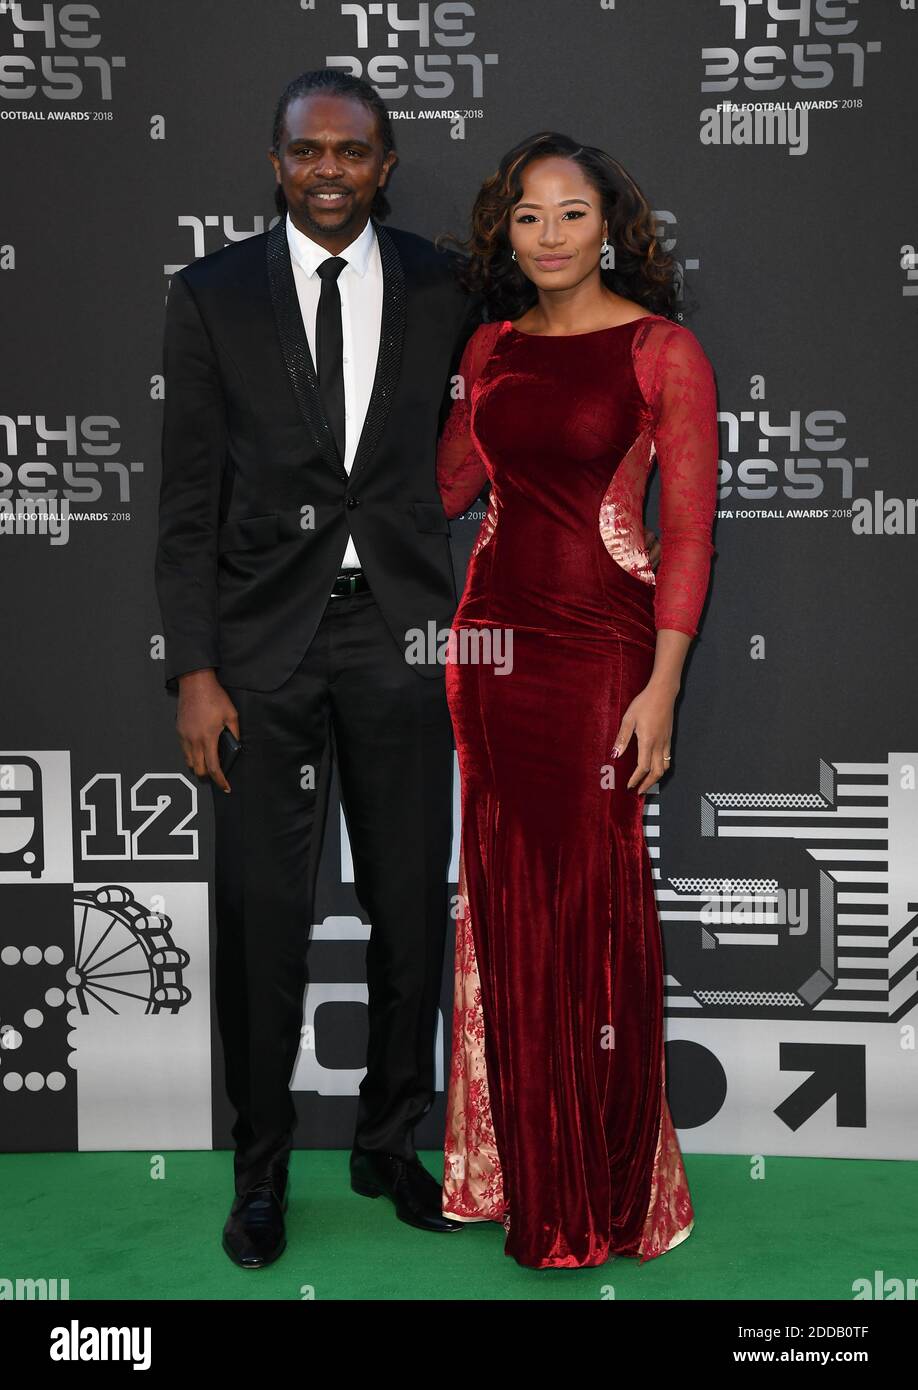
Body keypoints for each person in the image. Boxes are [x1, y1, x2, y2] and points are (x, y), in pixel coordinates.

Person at [154, 69, 480, 1268]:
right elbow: (186, 501)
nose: (329, 170)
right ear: (276, 162)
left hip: (402, 637)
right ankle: (259, 1173)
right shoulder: (213, 293)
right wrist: (194, 667)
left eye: (353, 151)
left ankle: (391, 1145)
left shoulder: (448, 285)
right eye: (307, 152)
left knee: (407, 905)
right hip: (260, 652)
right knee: (263, 920)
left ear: (386, 165)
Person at [435, 132, 719, 1268]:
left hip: (602, 654)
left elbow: (689, 531)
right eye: (526, 217)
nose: (548, 236)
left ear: (611, 227)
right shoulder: (491, 345)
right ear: (503, 233)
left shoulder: (663, 351)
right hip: (489, 655)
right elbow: (452, 483)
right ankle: (522, 1175)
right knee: (506, 902)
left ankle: (602, 1190)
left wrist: (665, 684)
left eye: (571, 214)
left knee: (590, 909)